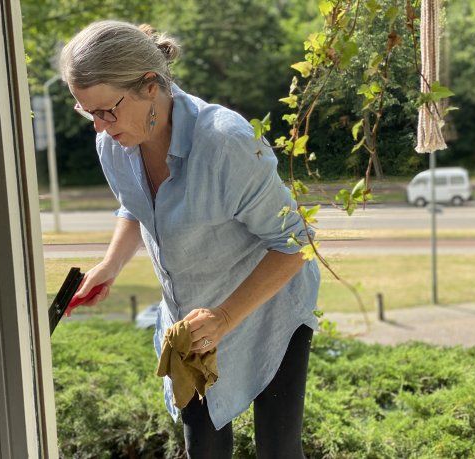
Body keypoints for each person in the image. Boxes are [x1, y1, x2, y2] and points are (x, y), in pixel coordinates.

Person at [59, 20, 320, 459]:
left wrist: (224, 316)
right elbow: (137, 205)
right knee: (204, 447)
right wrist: (110, 266)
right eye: (87, 113)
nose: (100, 128)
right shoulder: (114, 143)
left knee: (277, 449)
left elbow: (295, 243)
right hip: (191, 321)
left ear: (148, 85)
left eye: (106, 111)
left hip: (268, 308)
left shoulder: (226, 144)